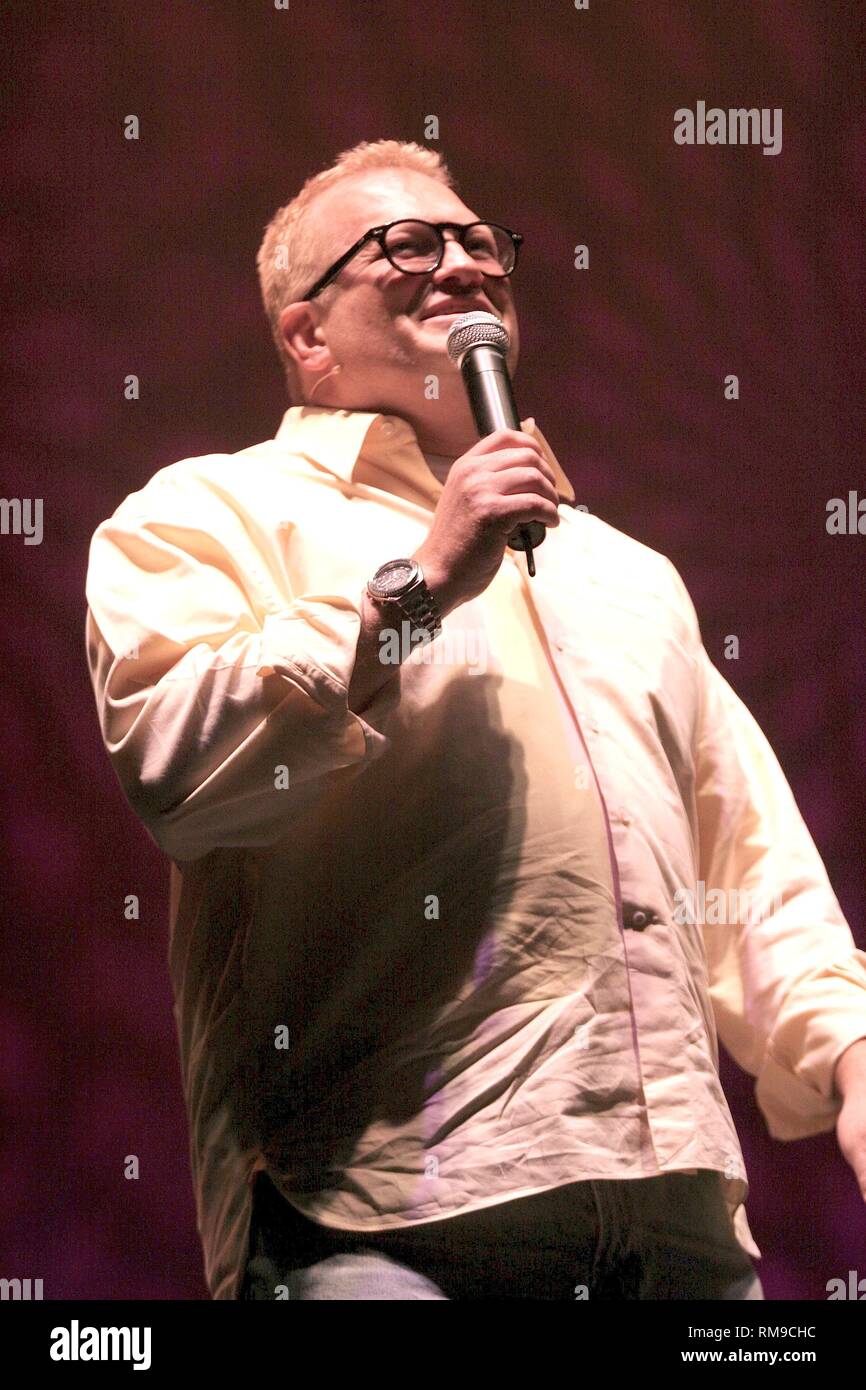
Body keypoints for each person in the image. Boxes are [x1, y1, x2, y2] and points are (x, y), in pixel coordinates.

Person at [84, 139, 866, 1301]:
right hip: (384, 1218)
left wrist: (849, 1057)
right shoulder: (207, 510)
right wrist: (421, 582)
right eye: (403, 245)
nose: (458, 261)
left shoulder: (624, 571)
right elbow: (181, 770)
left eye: (476, 241)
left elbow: (743, 863)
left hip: (680, 1229)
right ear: (306, 335)